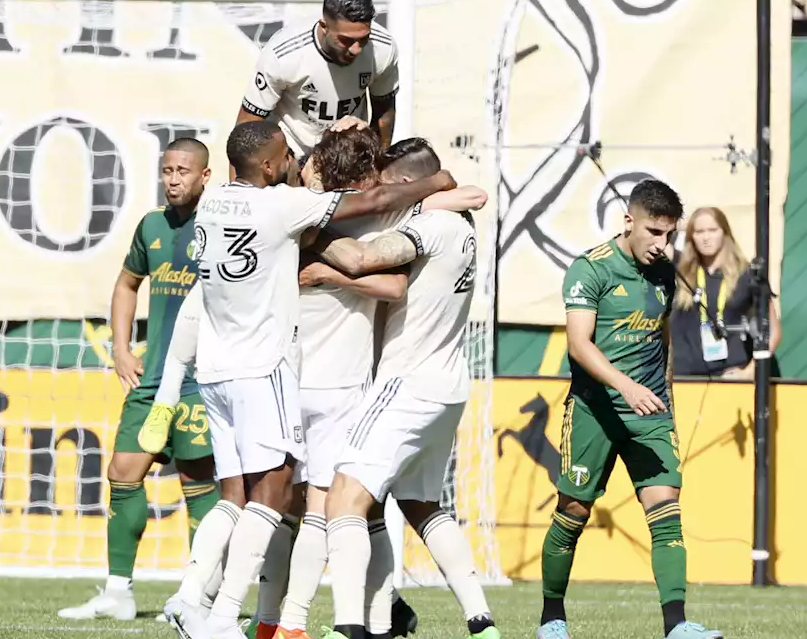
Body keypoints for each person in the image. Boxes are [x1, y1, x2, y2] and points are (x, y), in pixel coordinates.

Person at [153, 120, 456, 639]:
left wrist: (167, 386)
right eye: (286, 155)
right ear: (270, 166)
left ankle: (194, 597)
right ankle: (250, 618)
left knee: (236, 498)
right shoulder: (289, 212)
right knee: (307, 501)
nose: (295, 161)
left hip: (217, 371)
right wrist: (437, 184)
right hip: (278, 374)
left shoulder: (216, 203)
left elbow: (194, 307)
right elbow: (373, 252)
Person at [308, 140, 500, 639]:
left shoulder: (428, 226)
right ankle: (482, 623)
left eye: (385, 182)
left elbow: (366, 257)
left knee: (343, 499)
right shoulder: (459, 225)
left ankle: (348, 627)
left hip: (407, 384)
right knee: (420, 505)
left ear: (406, 181)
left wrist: (310, 227)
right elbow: (466, 195)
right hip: (449, 385)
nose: (376, 191)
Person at [539, 180, 721, 639]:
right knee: (573, 511)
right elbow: (579, 345)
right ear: (629, 222)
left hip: (651, 413)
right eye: (654, 232)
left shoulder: (664, 271)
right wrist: (625, 386)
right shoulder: (589, 269)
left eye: (670, 235)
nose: (662, 245)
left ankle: (676, 626)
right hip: (595, 412)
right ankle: (552, 618)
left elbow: (661, 341)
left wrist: (665, 400)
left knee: (666, 507)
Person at [58, 138, 220, 622]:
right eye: (167, 170)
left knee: (199, 486)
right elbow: (127, 283)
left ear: (205, 177)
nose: (173, 179)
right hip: (151, 380)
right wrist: (121, 347)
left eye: (183, 171)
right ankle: (118, 591)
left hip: (201, 381)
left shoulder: (220, 224)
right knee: (123, 473)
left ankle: (200, 597)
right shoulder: (151, 225)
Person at [235, 0, 399, 177]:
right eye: (346, 40)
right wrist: (240, 192)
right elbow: (246, 129)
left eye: (363, 39)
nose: (356, 49)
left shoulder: (382, 49)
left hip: (346, 159)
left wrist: (376, 168)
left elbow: (384, 113)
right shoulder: (283, 55)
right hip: (292, 157)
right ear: (324, 27)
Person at [669, 207, 781, 380]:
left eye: (712, 230)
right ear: (691, 236)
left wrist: (749, 372)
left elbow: (773, 332)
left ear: (724, 232)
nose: (706, 238)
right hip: (682, 377)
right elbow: (655, 241)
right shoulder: (680, 272)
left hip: (727, 377)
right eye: (699, 231)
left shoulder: (746, 275)